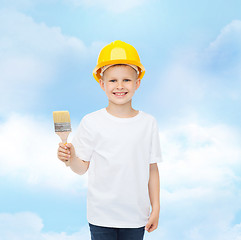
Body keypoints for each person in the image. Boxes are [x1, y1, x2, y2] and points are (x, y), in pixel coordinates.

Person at [57, 40, 162, 240]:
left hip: (135, 216)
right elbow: (81, 168)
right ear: (102, 83)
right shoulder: (91, 122)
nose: (119, 86)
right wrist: (69, 158)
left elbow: (152, 168)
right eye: (113, 80)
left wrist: (156, 208)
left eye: (127, 80)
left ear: (137, 83)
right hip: (100, 216)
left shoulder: (148, 123)